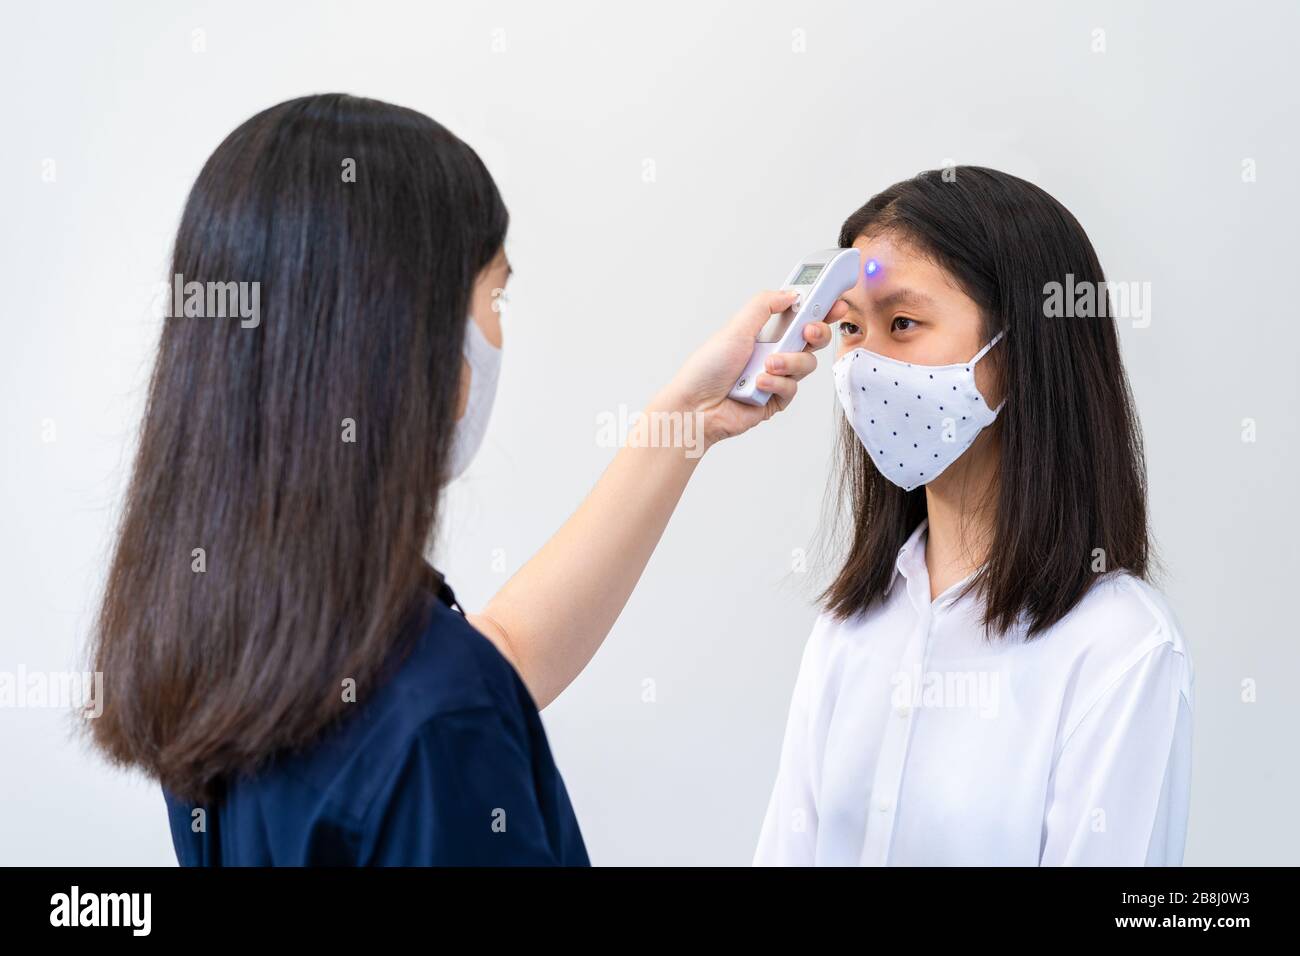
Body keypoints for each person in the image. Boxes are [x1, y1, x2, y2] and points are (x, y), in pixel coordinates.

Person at [85, 93, 837, 865]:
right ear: (401, 337)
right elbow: (447, 706)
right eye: (494, 295)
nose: (498, 331)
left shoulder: (230, 635)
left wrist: (688, 421)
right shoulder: (435, 719)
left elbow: (495, 658)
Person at [753, 167, 1193, 866]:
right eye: (847, 328)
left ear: (1019, 352)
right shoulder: (849, 627)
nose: (862, 363)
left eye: (903, 323)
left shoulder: (1117, 648)